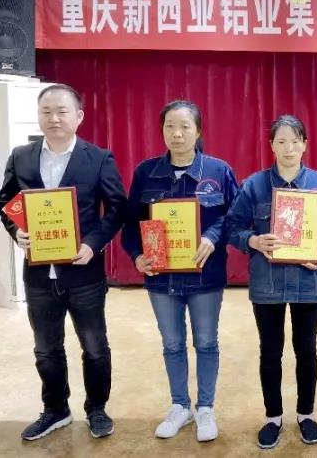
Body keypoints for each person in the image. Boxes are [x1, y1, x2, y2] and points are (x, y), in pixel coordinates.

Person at [0, 83, 128, 441]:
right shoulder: (21, 156)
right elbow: (6, 202)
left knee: (95, 347)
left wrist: (93, 243)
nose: (54, 118)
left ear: (79, 116)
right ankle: (55, 409)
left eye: (62, 111)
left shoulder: (98, 158)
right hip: (39, 274)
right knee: (46, 348)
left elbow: (117, 208)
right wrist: (17, 232)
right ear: (39, 116)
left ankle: (97, 408)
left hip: (84, 273)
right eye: (46, 111)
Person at [224, 115, 317, 449]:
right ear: (272, 146)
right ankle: (273, 417)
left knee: (306, 349)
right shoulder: (254, 186)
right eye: (281, 141)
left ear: (305, 145)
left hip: (309, 281)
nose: (288, 148)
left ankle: (306, 414)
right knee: (270, 351)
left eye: (295, 141)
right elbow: (232, 227)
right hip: (267, 283)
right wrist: (252, 240)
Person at [120, 100, 237, 442]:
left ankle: (206, 407)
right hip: (161, 278)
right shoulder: (146, 172)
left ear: (198, 131)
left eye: (185, 126)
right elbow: (131, 225)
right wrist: (137, 255)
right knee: (172, 344)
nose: (177, 133)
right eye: (170, 126)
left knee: (206, 342)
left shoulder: (218, 171)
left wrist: (213, 236)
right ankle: (180, 405)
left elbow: (236, 216)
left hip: (205, 276)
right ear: (162, 130)